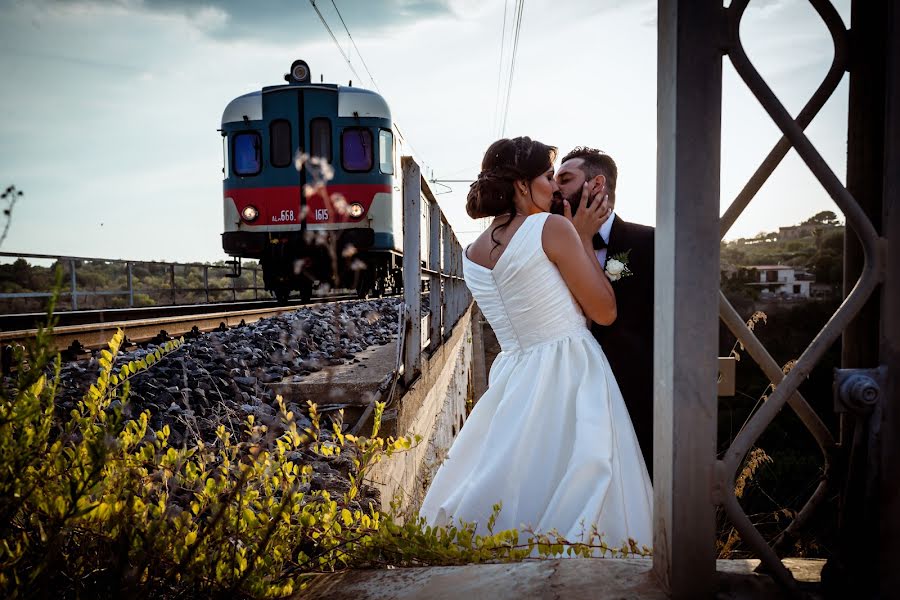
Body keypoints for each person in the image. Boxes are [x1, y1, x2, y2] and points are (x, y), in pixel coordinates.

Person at [418, 137, 652, 552]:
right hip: (571, 368)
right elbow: (604, 311)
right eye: (548, 176)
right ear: (523, 185)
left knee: (515, 472)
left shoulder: (472, 254)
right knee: (582, 469)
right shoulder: (554, 228)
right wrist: (581, 237)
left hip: (513, 373)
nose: (555, 187)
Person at [555, 147, 655, 477]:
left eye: (565, 179)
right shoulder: (548, 246)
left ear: (596, 185)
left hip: (635, 401)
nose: (556, 188)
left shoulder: (650, 242)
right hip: (570, 396)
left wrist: (583, 239)